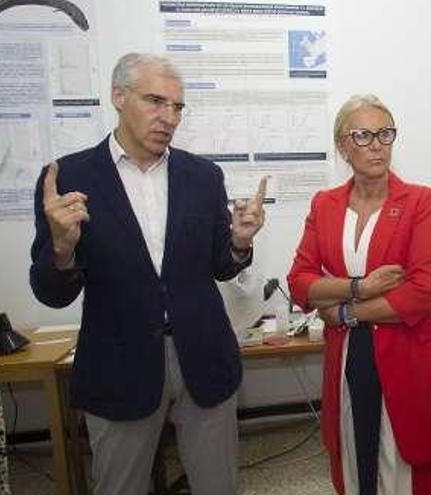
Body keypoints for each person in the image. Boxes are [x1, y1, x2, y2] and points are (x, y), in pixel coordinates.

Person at [29, 53, 267, 495]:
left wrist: (239, 242)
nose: (168, 117)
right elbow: (50, 292)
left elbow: (219, 264)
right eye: (156, 101)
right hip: (119, 364)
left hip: (204, 357)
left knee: (219, 486)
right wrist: (62, 247)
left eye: (177, 107)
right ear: (118, 97)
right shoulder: (68, 177)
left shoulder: (202, 176)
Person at [287, 94, 431, 495]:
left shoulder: (419, 200)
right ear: (342, 147)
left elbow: (421, 293)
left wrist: (345, 311)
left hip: (405, 352)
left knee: (401, 459)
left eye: (385, 133)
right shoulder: (325, 204)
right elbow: (299, 280)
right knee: (356, 450)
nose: (377, 144)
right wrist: (359, 287)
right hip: (348, 355)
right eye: (363, 135)